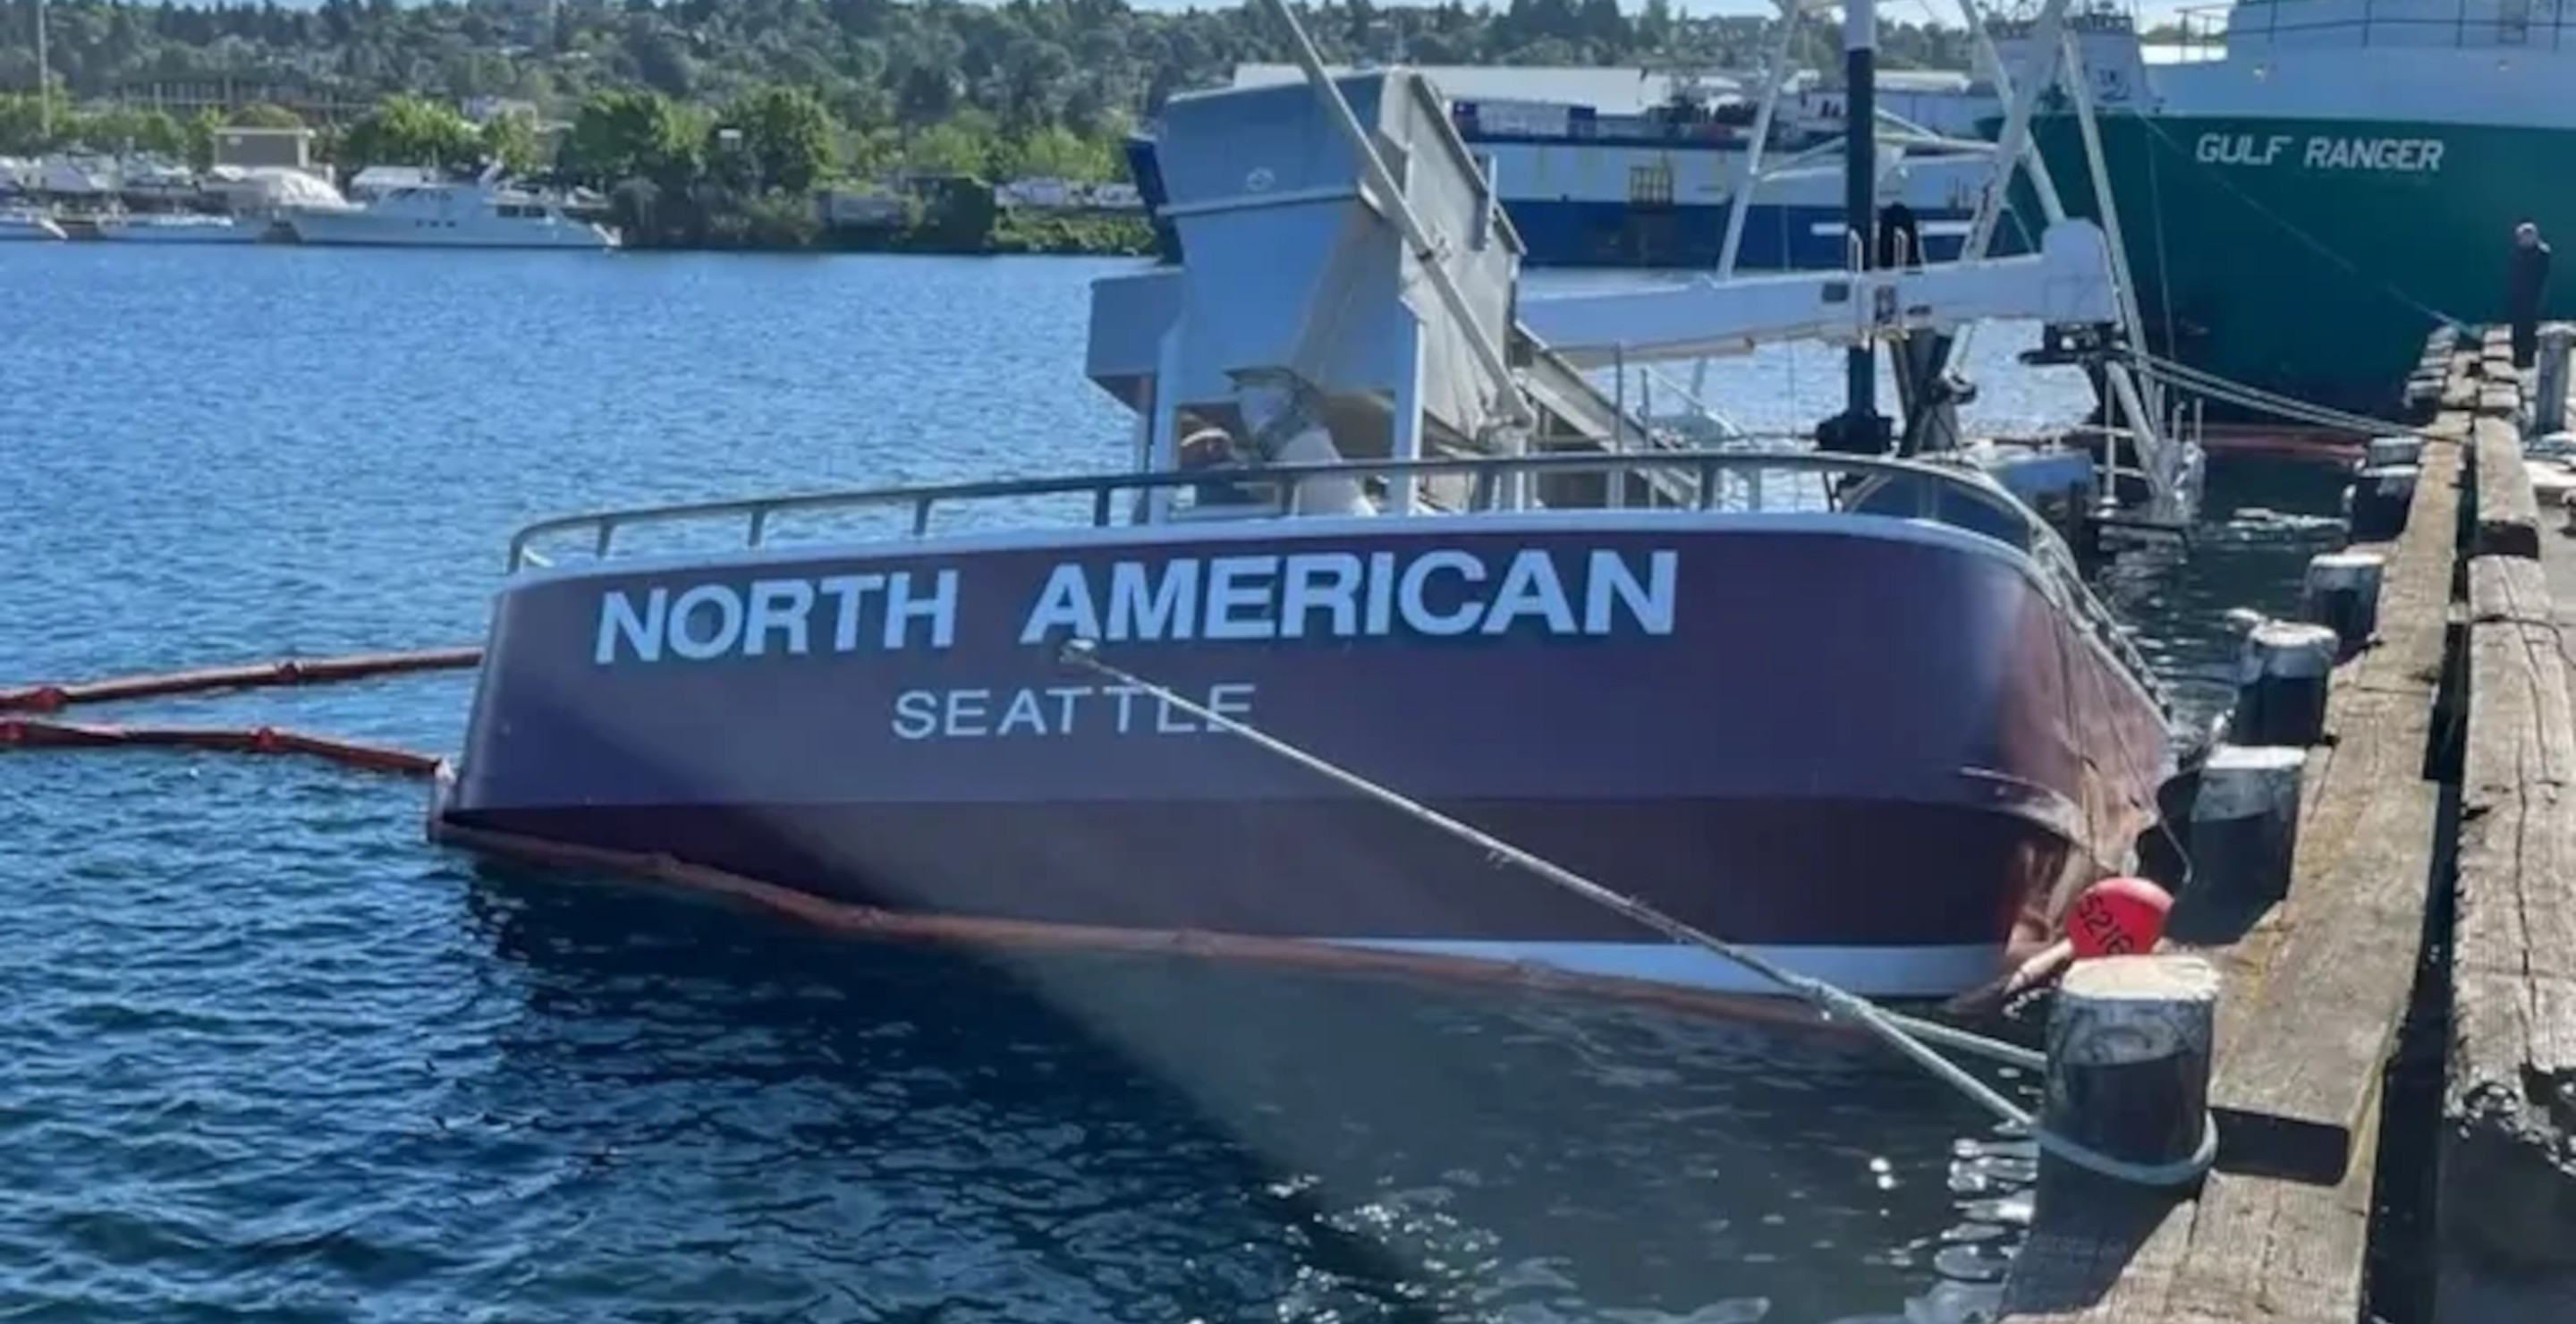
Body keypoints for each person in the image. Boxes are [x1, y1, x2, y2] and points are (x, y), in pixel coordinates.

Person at [2509, 221, 2553, 369]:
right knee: (2518, 328)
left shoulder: (2543, 253)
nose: (2522, 240)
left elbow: (2543, 278)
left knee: (2530, 329)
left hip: (2534, 296)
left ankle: (2528, 359)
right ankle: (2518, 359)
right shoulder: (2517, 253)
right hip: (2518, 297)